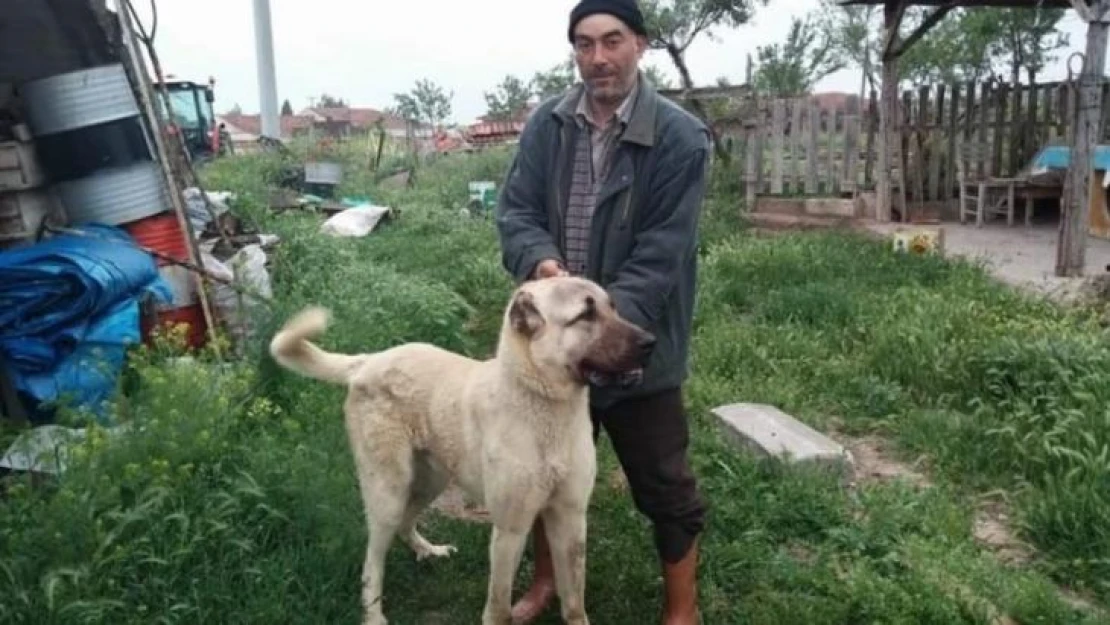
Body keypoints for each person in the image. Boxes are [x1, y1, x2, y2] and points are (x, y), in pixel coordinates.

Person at [493, 0, 710, 623]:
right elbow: (516, 214)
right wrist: (540, 264)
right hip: (557, 353)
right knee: (539, 479)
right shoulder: (548, 126)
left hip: (637, 344)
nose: (598, 58)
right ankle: (544, 585)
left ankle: (681, 609)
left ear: (640, 44)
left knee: (665, 486)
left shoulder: (679, 137)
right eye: (584, 45)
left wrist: (606, 332)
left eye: (612, 41)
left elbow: (662, 255)